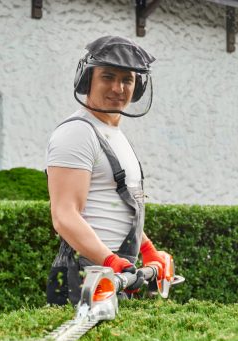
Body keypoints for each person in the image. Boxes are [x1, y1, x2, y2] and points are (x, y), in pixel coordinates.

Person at [45, 35, 171, 305]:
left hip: (114, 274)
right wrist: (111, 261)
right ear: (87, 79)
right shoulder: (77, 132)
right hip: (84, 277)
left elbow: (119, 206)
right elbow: (64, 215)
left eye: (127, 80)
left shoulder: (115, 134)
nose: (118, 87)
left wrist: (148, 251)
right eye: (108, 76)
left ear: (137, 88)